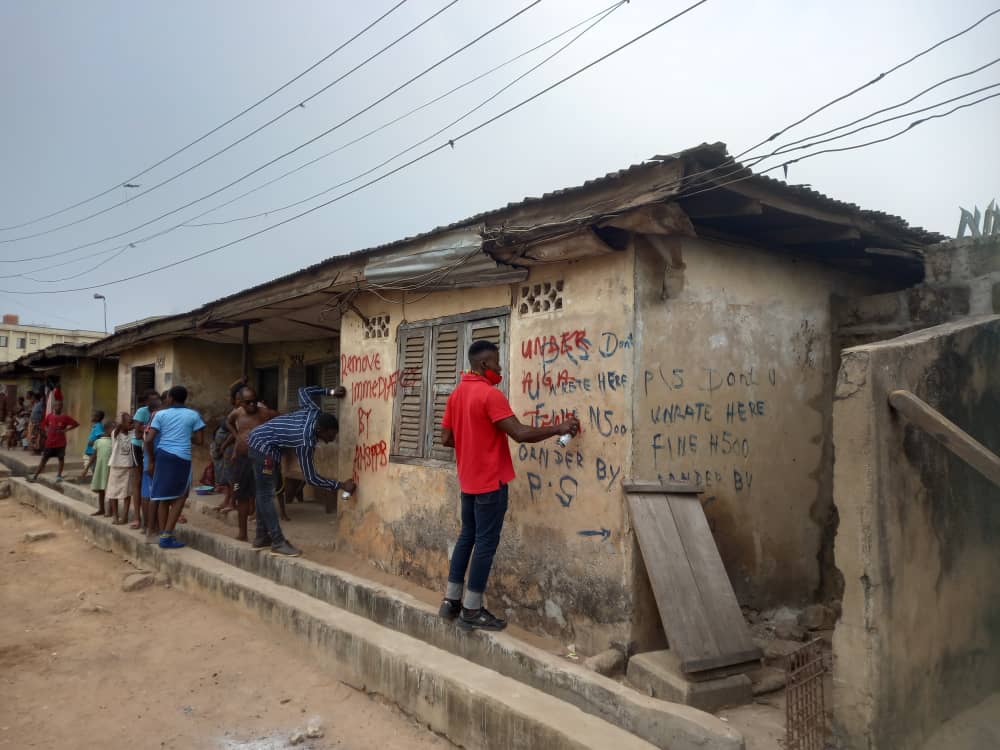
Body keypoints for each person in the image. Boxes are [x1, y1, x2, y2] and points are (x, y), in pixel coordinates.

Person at [438, 340, 579, 632]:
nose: (500, 367)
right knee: (485, 545)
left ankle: (450, 602)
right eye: (497, 362)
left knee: (468, 537)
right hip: (490, 483)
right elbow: (520, 433)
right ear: (484, 364)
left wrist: (473, 440)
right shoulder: (490, 395)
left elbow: (446, 439)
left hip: (468, 481)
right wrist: (559, 427)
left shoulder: (456, 395)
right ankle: (472, 611)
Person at [246, 385, 353, 557]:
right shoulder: (305, 442)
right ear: (320, 430)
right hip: (262, 448)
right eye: (329, 436)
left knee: (262, 493)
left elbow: (303, 391)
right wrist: (340, 485)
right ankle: (278, 541)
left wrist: (331, 392)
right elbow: (311, 478)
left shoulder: (314, 410)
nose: (329, 440)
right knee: (266, 495)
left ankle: (261, 537)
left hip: (259, 442)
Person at [145, 386, 205, 549]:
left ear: (170, 398)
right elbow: (200, 441)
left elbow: (148, 440)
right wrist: (185, 436)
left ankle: (163, 534)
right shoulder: (194, 415)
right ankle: (166, 536)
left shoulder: (160, 414)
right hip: (181, 458)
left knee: (162, 497)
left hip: (162, 456)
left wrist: (151, 460)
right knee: (181, 496)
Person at [227, 386, 279, 542]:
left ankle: (263, 534)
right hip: (243, 459)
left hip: (262, 459)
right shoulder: (237, 413)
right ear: (241, 402)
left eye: (254, 401)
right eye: (248, 402)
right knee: (242, 496)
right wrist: (237, 436)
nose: (252, 405)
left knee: (263, 496)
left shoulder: (265, 413)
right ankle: (242, 533)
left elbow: (282, 419)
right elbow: (228, 422)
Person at [31, 401, 79, 482]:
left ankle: (59, 475)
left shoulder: (65, 417)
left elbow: (76, 424)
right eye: (56, 405)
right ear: (53, 407)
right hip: (49, 443)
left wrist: (66, 430)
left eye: (60, 405)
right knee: (44, 459)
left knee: (61, 459)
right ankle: (35, 476)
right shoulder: (49, 416)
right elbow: (44, 425)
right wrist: (47, 431)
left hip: (60, 442)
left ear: (62, 407)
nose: (58, 407)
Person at [108, 414, 137, 526]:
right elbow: (115, 432)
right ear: (122, 423)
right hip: (116, 466)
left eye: (132, 422)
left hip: (128, 467)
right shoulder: (115, 433)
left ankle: (124, 517)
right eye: (129, 423)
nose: (132, 425)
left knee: (126, 494)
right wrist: (120, 426)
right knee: (113, 493)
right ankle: (115, 516)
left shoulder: (132, 434)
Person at [86, 421, 113, 518]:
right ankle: (102, 509)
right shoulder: (98, 441)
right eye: (113, 429)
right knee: (101, 490)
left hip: (110, 469)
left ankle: (109, 511)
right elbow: (93, 456)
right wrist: (86, 468)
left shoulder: (114, 442)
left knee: (110, 491)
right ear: (107, 430)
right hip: (100, 469)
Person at [80, 410, 106, 480]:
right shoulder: (96, 426)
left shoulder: (98, 426)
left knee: (94, 468)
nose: (91, 417)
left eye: (93, 416)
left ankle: (96, 482)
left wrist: (93, 441)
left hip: (92, 452)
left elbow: (101, 435)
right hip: (90, 451)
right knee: (92, 468)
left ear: (97, 418)